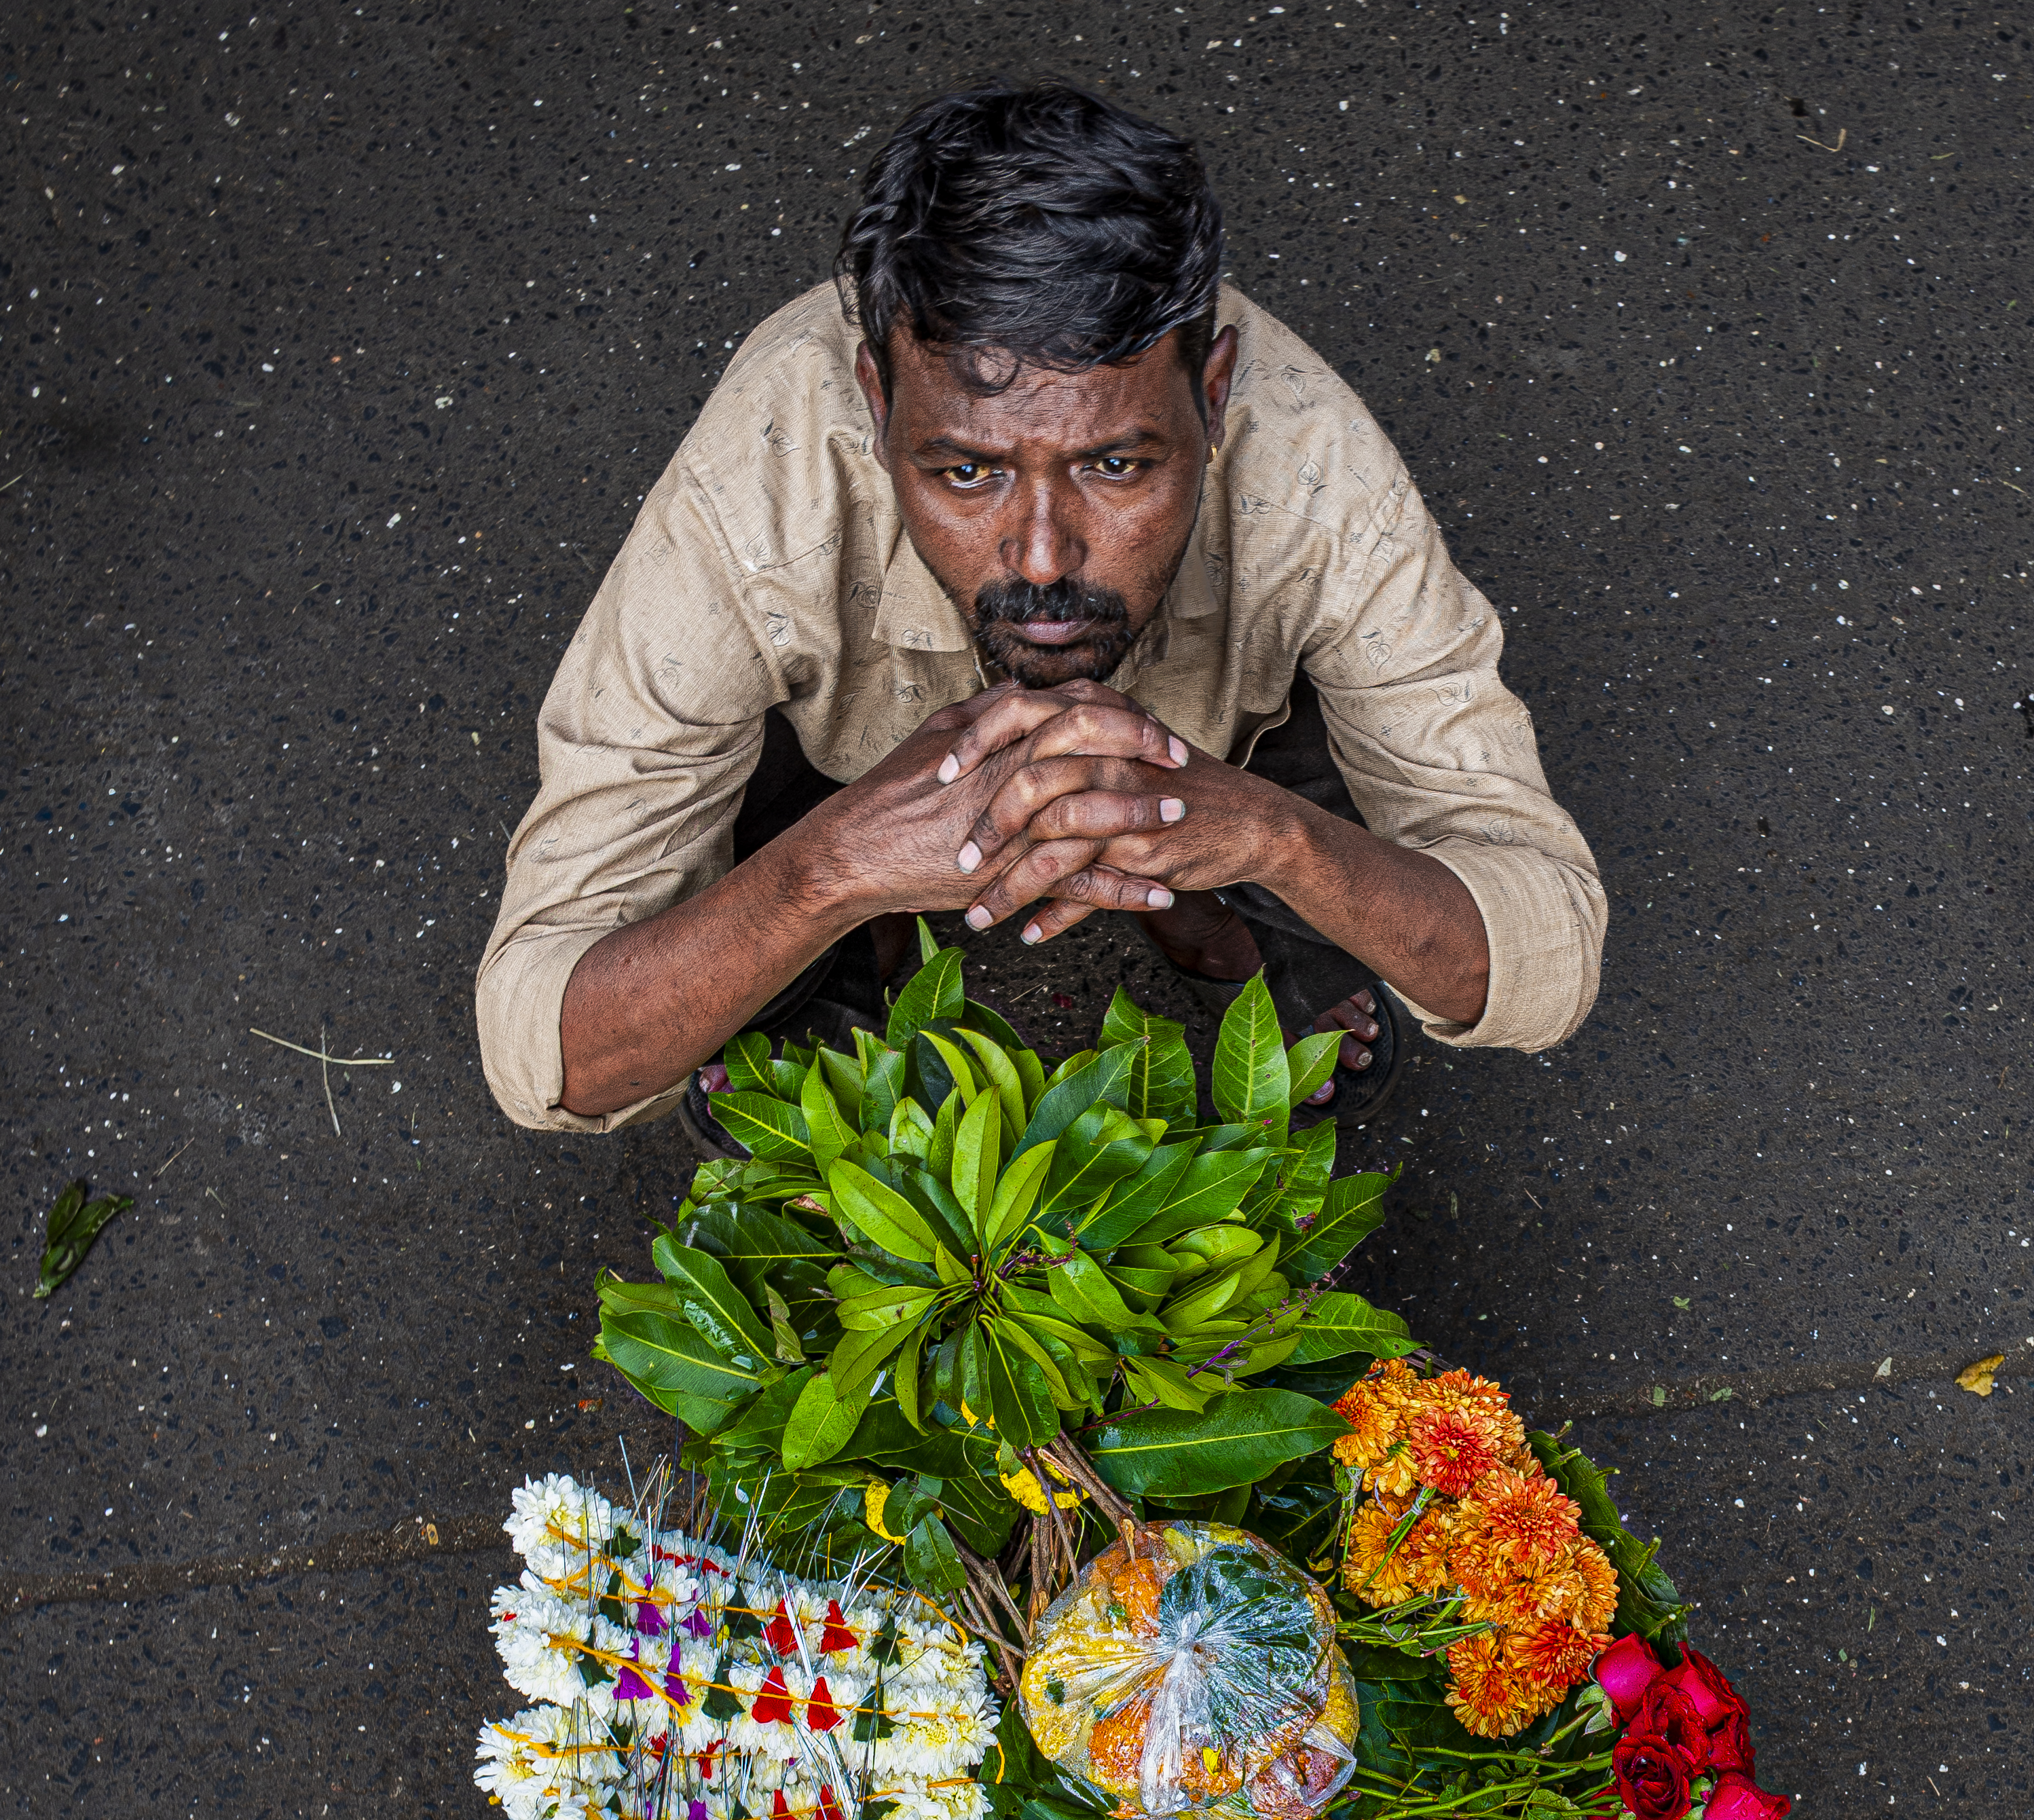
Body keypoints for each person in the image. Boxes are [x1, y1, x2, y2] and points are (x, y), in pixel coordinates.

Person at [476, 83, 1605, 1150]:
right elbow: (544, 1049)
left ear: (1212, 396)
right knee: (756, 807)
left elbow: (1545, 951)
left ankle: (1223, 913)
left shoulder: (1316, 474)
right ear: (877, 403)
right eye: (967, 474)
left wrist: (1274, 836)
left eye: (1117, 463)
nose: (1044, 555)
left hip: (1225, 742)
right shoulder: (753, 500)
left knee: (1330, 724)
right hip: (840, 768)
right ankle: (848, 949)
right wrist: (831, 869)